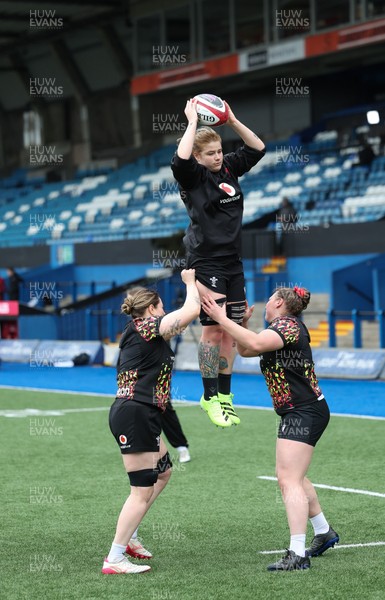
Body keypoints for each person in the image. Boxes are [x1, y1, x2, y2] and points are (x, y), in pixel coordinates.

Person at [201, 286, 339, 571]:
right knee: (292, 477)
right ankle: (323, 532)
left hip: (303, 412)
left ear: (278, 302)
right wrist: (241, 325)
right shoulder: (280, 328)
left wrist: (220, 318)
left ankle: (297, 554)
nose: (265, 305)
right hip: (298, 411)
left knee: (288, 479)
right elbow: (249, 349)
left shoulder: (287, 326)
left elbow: (256, 343)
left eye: (269, 300)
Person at [171, 97, 266, 428]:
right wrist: (193, 123)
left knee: (233, 332)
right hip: (206, 263)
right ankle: (208, 396)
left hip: (233, 263)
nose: (217, 157)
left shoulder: (229, 167)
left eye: (219, 151)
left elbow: (258, 148)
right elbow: (179, 160)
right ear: (199, 156)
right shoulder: (193, 177)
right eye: (210, 153)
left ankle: (224, 396)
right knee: (212, 333)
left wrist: (232, 121)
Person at [102, 269, 200, 575]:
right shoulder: (145, 326)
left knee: (163, 472)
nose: (165, 311)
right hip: (135, 413)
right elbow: (191, 312)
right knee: (141, 490)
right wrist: (190, 283)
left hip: (143, 413)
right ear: (151, 309)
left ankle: (129, 536)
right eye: (161, 306)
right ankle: (115, 557)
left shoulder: (144, 329)